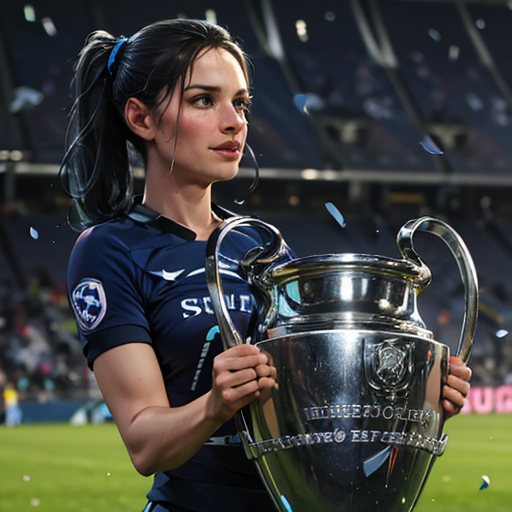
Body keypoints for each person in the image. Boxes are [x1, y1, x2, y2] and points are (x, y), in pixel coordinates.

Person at [62, 19, 472, 512]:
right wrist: (215, 405)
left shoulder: (266, 249)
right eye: (202, 100)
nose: (234, 121)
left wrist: (414, 407)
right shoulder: (109, 251)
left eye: (240, 103)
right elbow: (145, 443)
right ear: (141, 118)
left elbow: (326, 427)